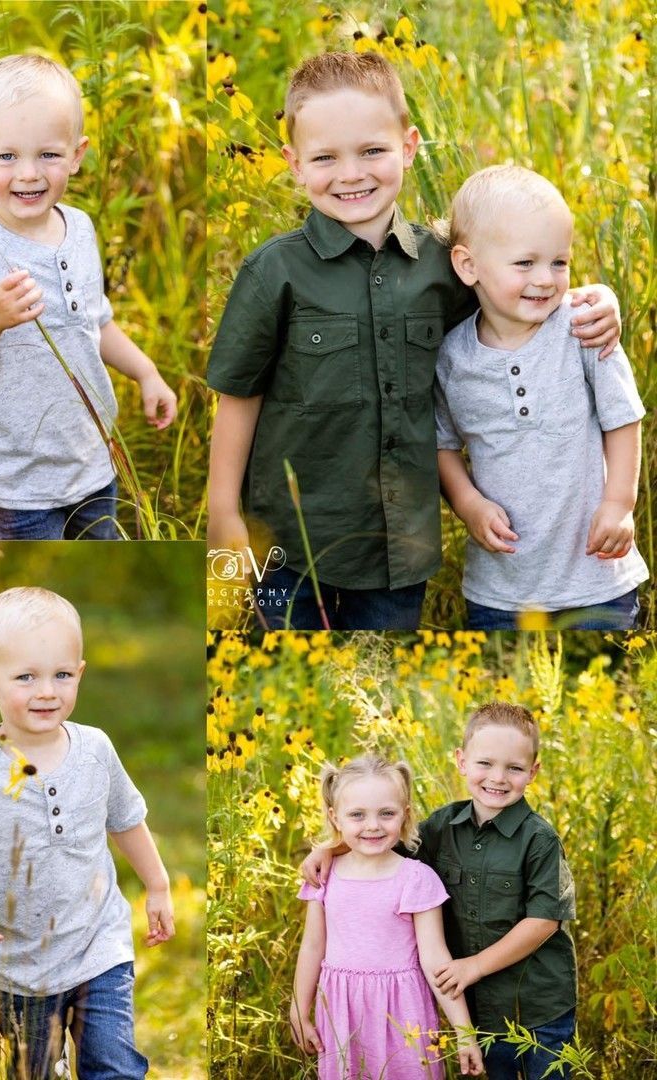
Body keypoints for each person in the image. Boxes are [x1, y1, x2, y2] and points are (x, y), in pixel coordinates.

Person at [206, 51, 621, 629]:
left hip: (399, 549)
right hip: (290, 545)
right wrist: (223, 510)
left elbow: (521, 288)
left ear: (408, 146)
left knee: (382, 677)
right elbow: (238, 394)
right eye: (325, 157)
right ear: (294, 164)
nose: (351, 174)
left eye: (372, 150)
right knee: (286, 669)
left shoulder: (442, 266)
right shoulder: (274, 273)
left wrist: (598, 298)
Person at [0, 54, 177, 540]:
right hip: (17, 488)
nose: (28, 174)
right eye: (6, 156)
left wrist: (146, 372)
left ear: (77, 154)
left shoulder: (79, 229)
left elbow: (95, 323)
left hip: (93, 466)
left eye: (48, 155)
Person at [0, 586, 175, 1078]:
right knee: (33, 1070)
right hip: (18, 963)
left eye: (62, 675)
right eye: (26, 677)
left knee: (112, 1064)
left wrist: (158, 885)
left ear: (79, 673)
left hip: (98, 943)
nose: (48, 691)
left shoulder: (95, 749)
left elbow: (125, 817)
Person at [303, 704, 578, 1080]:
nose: (497, 778)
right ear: (462, 761)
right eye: (485, 763)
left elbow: (544, 921)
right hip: (480, 1007)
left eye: (513, 768)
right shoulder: (441, 827)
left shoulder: (540, 839)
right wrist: (329, 849)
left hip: (538, 1004)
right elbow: (382, 847)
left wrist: (474, 966)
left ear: (533, 772)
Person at [435, 165, 648, 629]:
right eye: (524, 263)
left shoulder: (582, 326)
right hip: (501, 590)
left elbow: (622, 418)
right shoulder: (452, 357)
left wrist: (619, 504)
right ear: (468, 265)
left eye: (559, 261)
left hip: (597, 582)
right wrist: (468, 504)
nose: (547, 279)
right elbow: (442, 445)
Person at [290, 754, 483, 1079]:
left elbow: (435, 958)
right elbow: (312, 946)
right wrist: (299, 1008)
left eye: (387, 814)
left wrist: (464, 1031)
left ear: (405, 815)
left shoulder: (415, 879)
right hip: (342, 1010)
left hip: (403, 1013)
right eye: (357, 815)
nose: (373, 825)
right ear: (335, 817)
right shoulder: (325, 874)